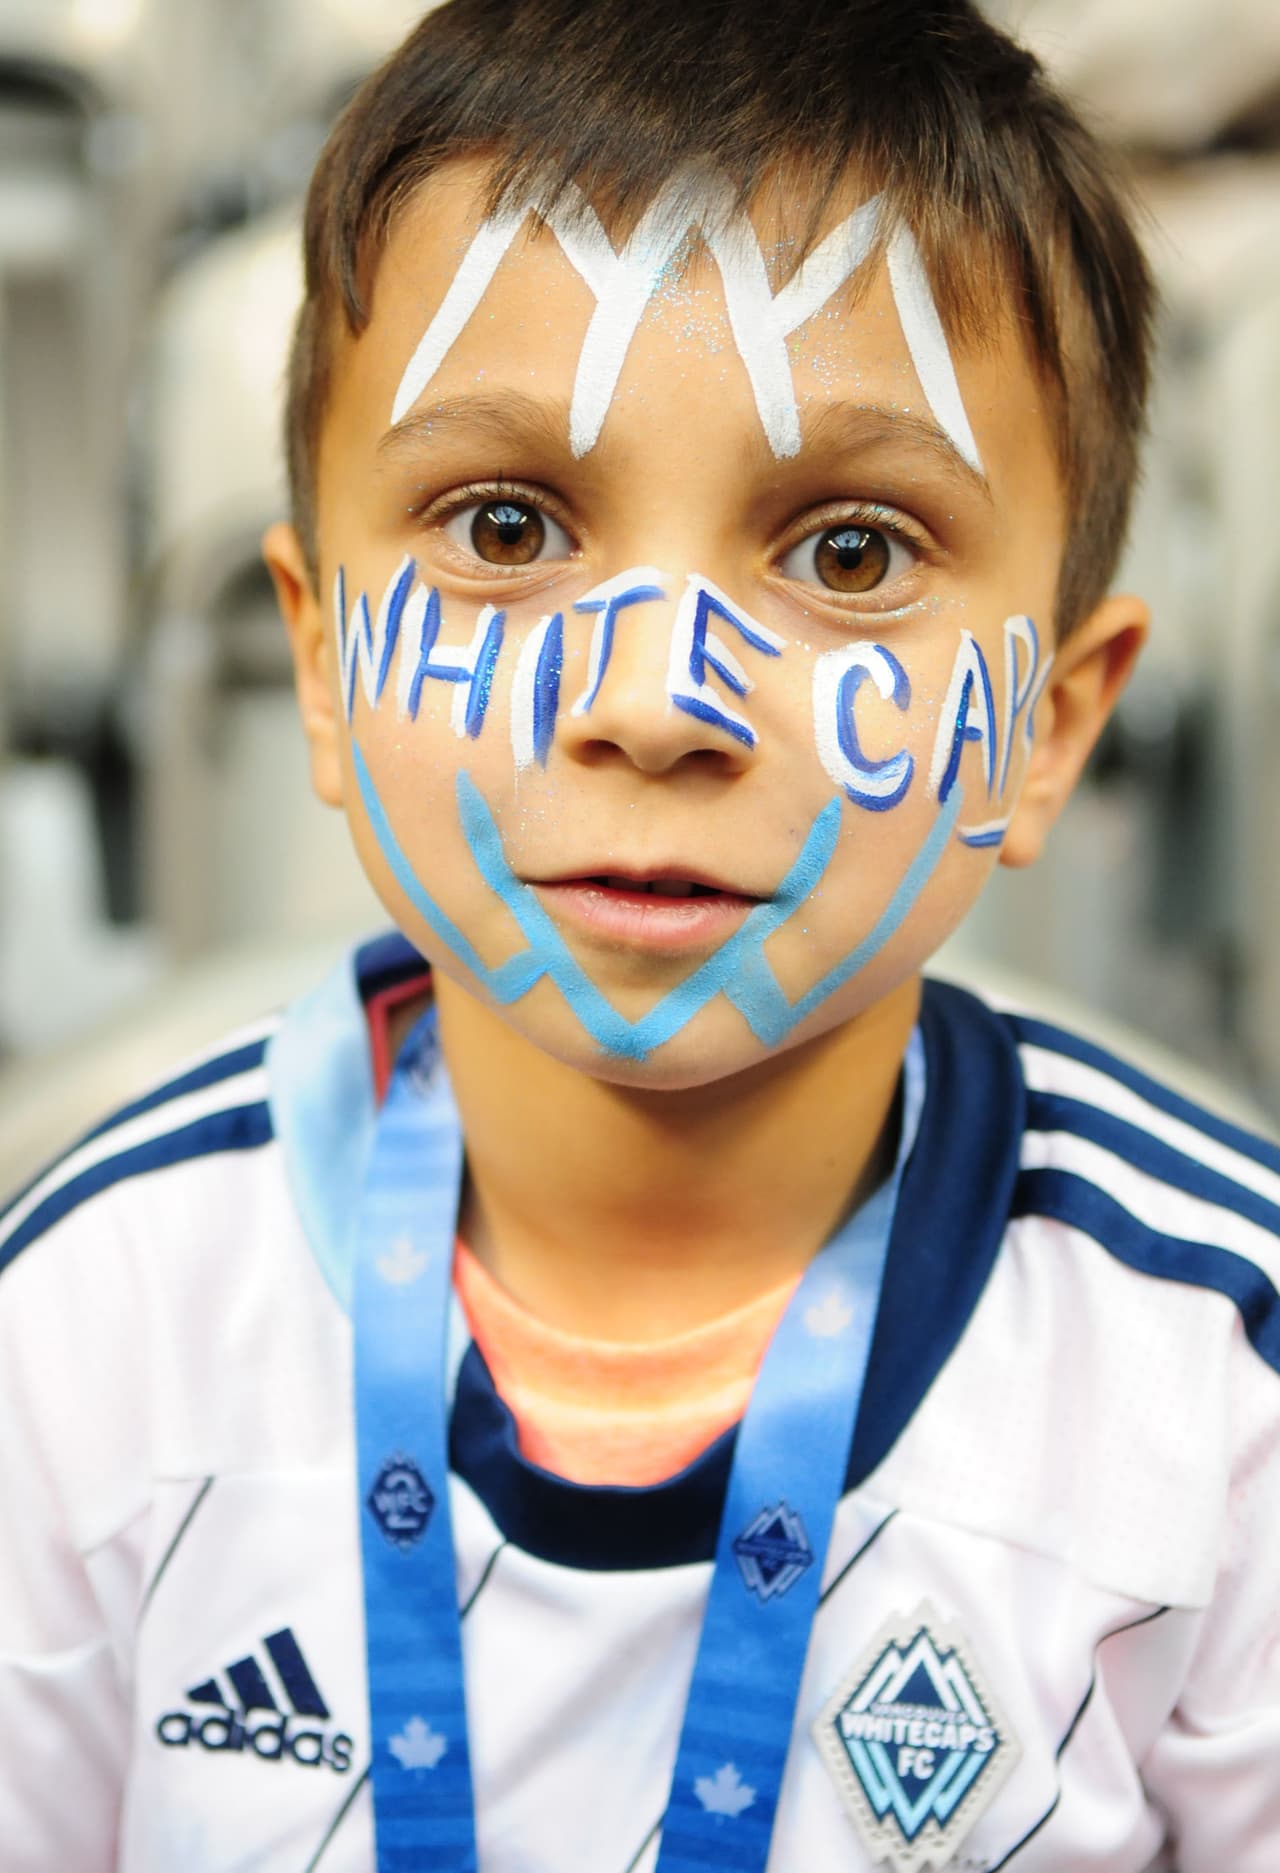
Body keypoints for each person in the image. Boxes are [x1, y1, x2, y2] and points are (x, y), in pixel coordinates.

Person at [2, 0, 1277, 1867]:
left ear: (1057, 723)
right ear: (323, 672)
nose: (660, 699)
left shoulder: (1222, 1389)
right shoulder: (86, 1331)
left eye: (849, 550)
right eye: (508, 525)